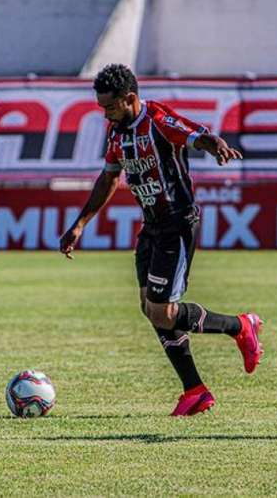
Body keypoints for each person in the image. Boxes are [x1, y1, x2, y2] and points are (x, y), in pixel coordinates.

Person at [59, 64, 264, 416]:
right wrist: (80, 224)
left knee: (163, 311)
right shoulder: (116, 133)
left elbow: (193, 134)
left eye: (109, 107)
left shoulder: (155, 119)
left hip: (177, 224)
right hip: (151, 227)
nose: (105, 114)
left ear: (130, 99)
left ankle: (240, 326)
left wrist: (212, 143)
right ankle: (195, 391)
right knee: (150, 309)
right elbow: (109, 178)